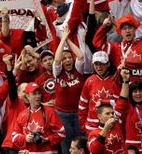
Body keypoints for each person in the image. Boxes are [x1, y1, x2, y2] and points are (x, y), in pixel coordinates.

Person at [53, 26, 85, 154]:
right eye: (64, 58)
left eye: (69, 57)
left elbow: (81, 56)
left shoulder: (78, 69)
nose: (67, 60)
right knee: (67, 147)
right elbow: (56, 59)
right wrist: (62, 40)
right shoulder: (58, 72)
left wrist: (67, 39)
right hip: (63, 115)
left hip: (79, 113)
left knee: (81, 144)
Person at [12, 82, 65, 153]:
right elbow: (14, 137)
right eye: (34, 94)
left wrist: (47, 139)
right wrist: (25, 138)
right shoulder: (22, 115)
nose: (38, 96)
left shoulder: (50, 112)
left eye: (39, 93)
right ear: (27, 96)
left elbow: (62, 133)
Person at [78, 51, 121, 133]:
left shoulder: (114, 80)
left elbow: (119, 103)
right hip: (92, 127)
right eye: (96, 64)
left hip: (111, 125)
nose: (99, 67)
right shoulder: (89, 81)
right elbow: (82, 105)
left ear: (108, 64)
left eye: (102, 64)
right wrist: (84, 125)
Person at [115, 69, 142, 152]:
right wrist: (125, 81)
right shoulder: (128, 107)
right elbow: (120, 106)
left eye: (141, 91)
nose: (138, 94)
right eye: (135, 91)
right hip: (132, 148)